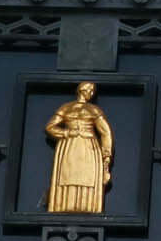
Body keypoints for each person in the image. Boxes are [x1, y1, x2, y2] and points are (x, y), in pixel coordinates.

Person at [44, 81, 113, 214]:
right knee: (67, 177)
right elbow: (49, 127)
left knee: (87, 178)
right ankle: (63, 206)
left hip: (88, 147)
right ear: (81, 91)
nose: (91, 94)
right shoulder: (66, 108)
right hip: (69, 146)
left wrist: (106, 156)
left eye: (93, 91)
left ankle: (88, 207)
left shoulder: (94, 110)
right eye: (89, 90)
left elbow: (105, 132)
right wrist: (66, 133)